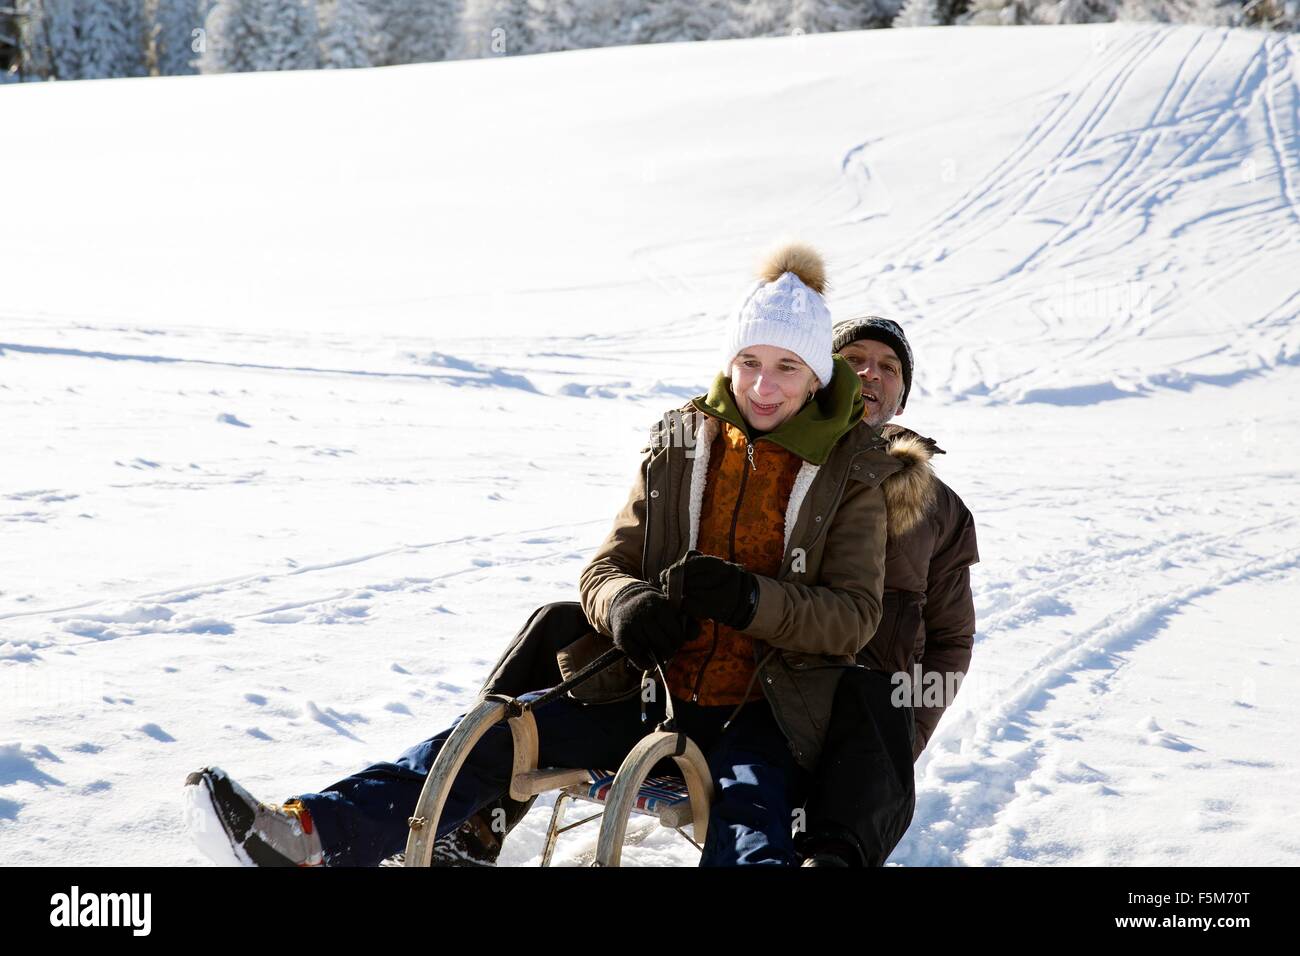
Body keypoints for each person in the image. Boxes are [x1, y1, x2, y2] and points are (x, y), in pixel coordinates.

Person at [183, 241, 904, 867]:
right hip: (652, 692)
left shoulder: (853, 470)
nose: (762, 385)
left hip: (768, 710)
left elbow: (853, 618)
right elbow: (604, 569)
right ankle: (312, 837)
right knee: (497, 733)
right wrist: (627, 604)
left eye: (785, 367)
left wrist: (751, 601)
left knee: (750, 828)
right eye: (747, 361)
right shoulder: (684, 441)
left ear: (816, 376)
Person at [794, 316, 980, 867]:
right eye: (853, 361)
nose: (870, 374)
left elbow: (950, 640)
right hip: (764, 695)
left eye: (889, 367)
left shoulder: (942, 512)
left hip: (869, 717)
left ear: (901, 398)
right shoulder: (775, 461)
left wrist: (906, 735)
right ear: (818, 376)